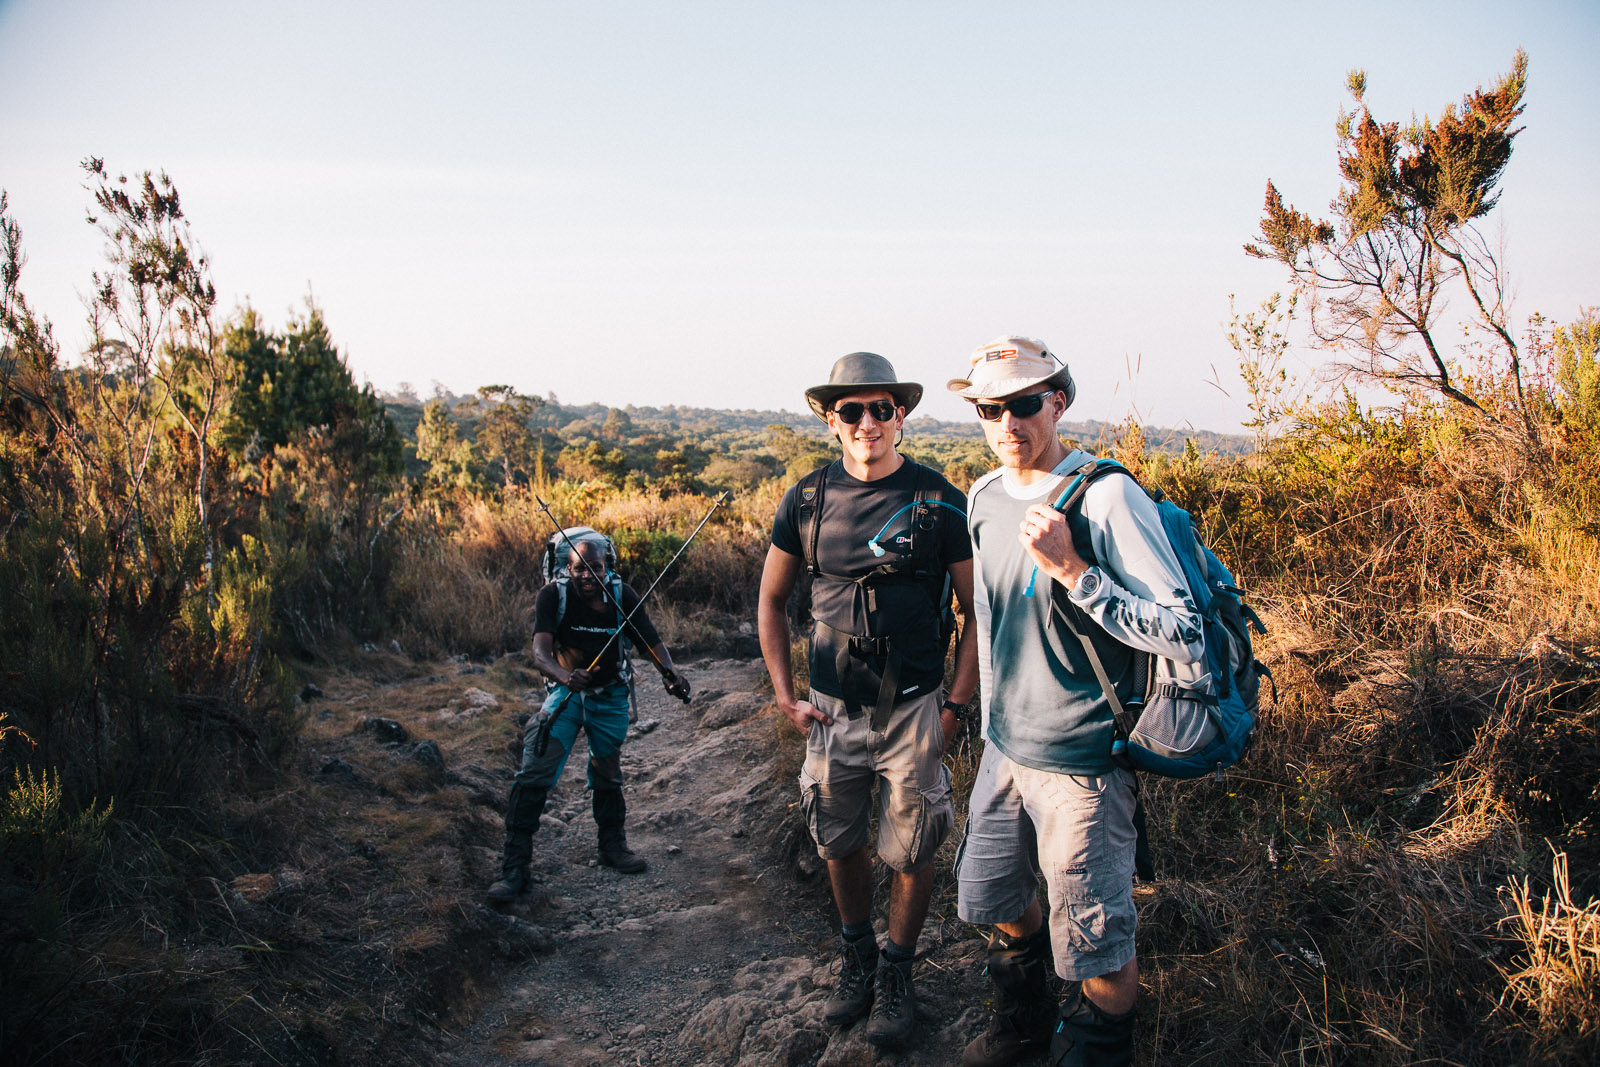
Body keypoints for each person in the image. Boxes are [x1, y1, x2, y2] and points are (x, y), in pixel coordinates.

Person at [949, 335, 1204, 1067]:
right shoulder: (985, 496)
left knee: (1096, 948)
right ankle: (1024, 1026)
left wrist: (1077, 571)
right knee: (991, 897)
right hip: (1006, 749)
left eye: (1024, 404)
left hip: (1084, 765)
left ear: (1057, 400)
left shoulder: (1107, 496)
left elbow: (1182, 630)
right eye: (989, 409)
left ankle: (1089, 1050)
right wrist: (988, 724)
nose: (1007, 424)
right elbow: (992, 622)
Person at [758, 352, 979, 1049]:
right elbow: (770, 599)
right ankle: (857, 953)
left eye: (879, 408)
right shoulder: (807, 499)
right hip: (830, 707)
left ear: (901, 415)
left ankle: (898, 971)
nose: (866, 422)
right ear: (832, 421)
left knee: (913, 844)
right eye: (850, 411)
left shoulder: (939, 499)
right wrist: (785, 697)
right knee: (836, 833)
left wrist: (955, 708)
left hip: (913, 705)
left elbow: (977, 612)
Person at [487, 533, 691, 902]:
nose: (587, 577)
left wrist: (671, 674)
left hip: (610, 694)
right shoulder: (553, 596)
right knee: (536, 768)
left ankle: (612, 847)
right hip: (565, 694)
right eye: (579, 569)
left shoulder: (622, 595)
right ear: (568, 569)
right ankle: (514, 868)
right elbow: (540, 653)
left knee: (607, 771)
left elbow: (648, 639)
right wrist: (566, 677)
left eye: (595, 568)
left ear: (605, 567)